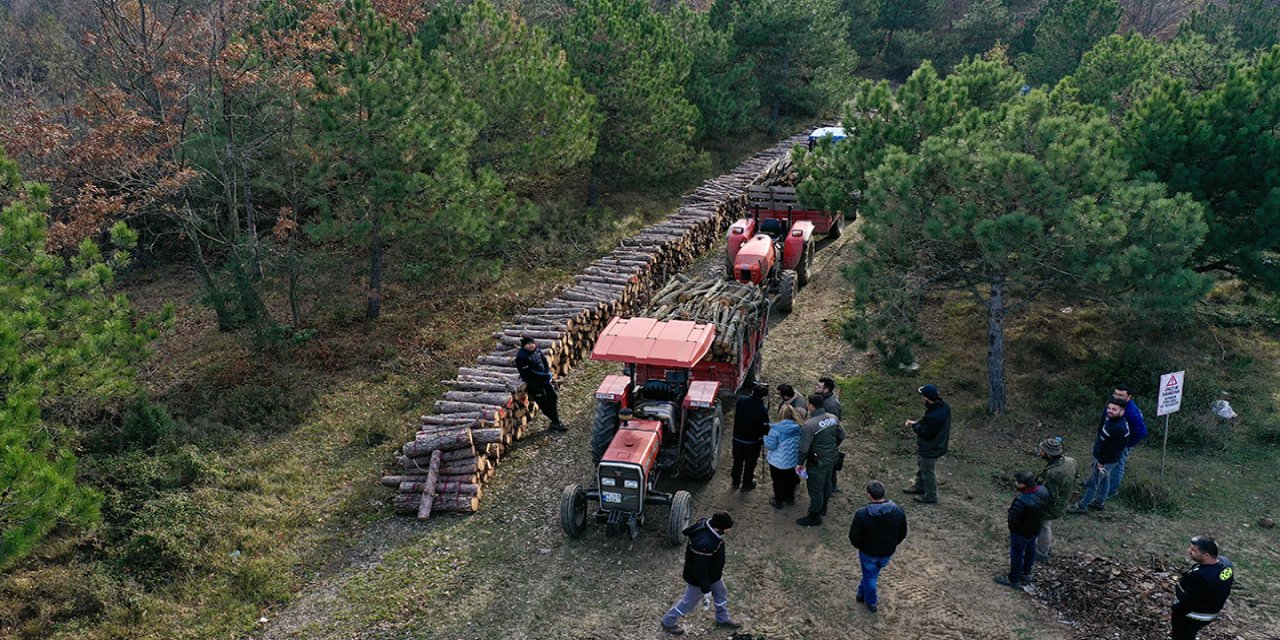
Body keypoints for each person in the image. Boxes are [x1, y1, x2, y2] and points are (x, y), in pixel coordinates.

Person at [661, 512, 743, 635]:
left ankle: (723, 618)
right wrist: (706, 589)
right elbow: (699, 570)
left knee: (721, 593)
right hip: (698, 580)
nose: (728, 531)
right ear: (719, 528)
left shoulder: (706, 523)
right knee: (689, 603)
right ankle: (668, 621)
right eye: (727, 529)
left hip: (713, 575)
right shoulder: (704, 544)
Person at [848, 480, 908, 613]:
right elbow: (903, 533)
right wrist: (893, 544)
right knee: (871, 574)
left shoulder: (862, 515)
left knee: (870, 577)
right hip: (887, 552)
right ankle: (860, 594)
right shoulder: (898, 511)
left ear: (869, 495)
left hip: (868, 553)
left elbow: (854, 537)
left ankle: (871, 602)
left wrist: (860, 546)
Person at [1069, 398, 1130, 514]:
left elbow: (1112, 448)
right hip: (1108, 459)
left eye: (1114, 409)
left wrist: (1101, 461)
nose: (1110, 411)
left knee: (1093, 482)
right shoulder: (1115, 420)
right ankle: (1099, 502)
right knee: (1105, 480)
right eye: (1109, 408)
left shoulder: (1118, 428)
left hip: (1106, 459)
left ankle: (1082, 506)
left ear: (1122, 411)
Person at [1170, 535, 1235, 640]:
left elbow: (1188, 603)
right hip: (1211, 611)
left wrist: (1176, 609)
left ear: (1206, 555)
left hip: (1193, 616)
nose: (1189, 551)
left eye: (1193, 550)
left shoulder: (1200, 577)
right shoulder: (1226, 564)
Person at [795, 393, 845, 527]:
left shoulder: (809, 425)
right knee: (827, 483)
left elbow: (804, 449)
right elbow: (842, 435)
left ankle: (814, 516)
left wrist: (799, 463)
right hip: (832, 458)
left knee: (816, 489)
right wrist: (832, 447)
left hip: (817, 462)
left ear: (811, 406)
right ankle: (824, 507)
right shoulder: (833, 418)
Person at [995, 471, 1050, 587]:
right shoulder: (1043, 491)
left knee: (1017, 555)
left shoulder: (1021, 500)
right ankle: (1026, 573)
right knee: (1031, 550)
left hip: (1020, 533)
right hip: (1035, 530)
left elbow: (1013, 520)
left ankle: (1014, 579)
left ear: (1022, 485)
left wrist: (1014, 530)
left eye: (1017, 482)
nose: (1015, 483)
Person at [903, 384, 951, 504]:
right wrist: (918, 423)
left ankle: (931, 496)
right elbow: (927, 423)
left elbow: (925, 433)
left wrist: (914, 425)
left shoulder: (935, 416)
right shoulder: (943, 407)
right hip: (937, 444)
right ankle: (919, 486)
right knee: (923, 467)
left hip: (930, 448)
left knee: (928, 471)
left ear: (926, 398)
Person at [1033, 437, 1077, 561]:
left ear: (1048, 455)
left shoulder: (1052, 474)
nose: (1039, 451)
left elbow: (1049, 496)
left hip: (1052, 506)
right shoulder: (1070, 461)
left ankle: (1042, 552)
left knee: (1043, 525)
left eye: (1041, 450)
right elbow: (1076, 476)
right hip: (1064, 499)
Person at [515, 337, 564, 432]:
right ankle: (555, 421)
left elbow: (544, 360)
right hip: (534, 383)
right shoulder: (521, 357)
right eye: (528, 344)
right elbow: (529, 373)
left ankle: (555, 421)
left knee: (553, 396)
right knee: (544, 403)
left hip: (544, 380)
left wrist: (547, 372)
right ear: (524, 346)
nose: (531, 345)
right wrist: (544, 376)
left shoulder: (537, 350)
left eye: (532, 343)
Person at [1107, 385, 1147, 498]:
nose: (1117, 397)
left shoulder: (1131, 412)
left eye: (1121, 395)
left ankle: (1112, 490)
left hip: (1121, 443)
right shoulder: (1115, 404)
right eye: (1115, 394)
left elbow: (1141, 432)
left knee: (1117, 465)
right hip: (1109, 439)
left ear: (1129, 397)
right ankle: (1094, 482)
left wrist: (1126, 444)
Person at [764, 403, 806, 508]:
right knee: (790, 479)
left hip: (777, 462)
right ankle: (790, 498)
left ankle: (779, 500)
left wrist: (765, 438)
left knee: (778, 481)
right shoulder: (799, 428)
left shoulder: (776, 429)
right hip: (792, 460)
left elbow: (771, 446)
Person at [731, 383, 770, 491]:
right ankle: (746, 484)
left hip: (738, 438)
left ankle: (735, 481)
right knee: (750, 464)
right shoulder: (761, 410)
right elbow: (765, 428)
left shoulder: (741, 400)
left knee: (737, 461)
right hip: (752, 442)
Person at [815, 377, 844, 492]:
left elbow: (833, 427)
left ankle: (830, 486)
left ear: (826, 390)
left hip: (828, 439)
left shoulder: (831, 405)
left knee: (827, 463)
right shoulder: (824, 398)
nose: (816, 387)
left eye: (818, 386)